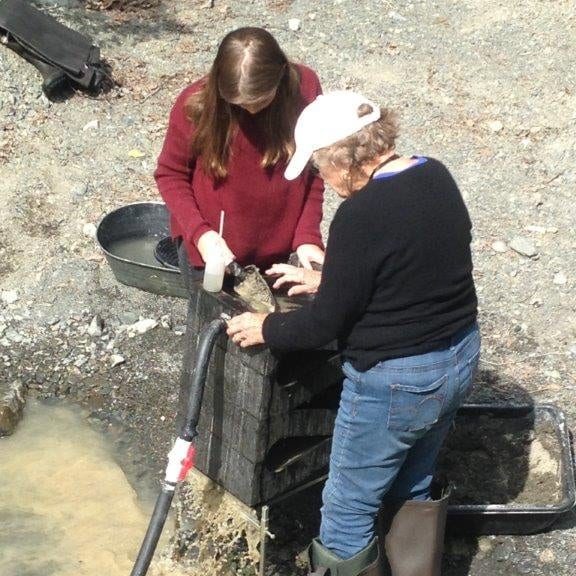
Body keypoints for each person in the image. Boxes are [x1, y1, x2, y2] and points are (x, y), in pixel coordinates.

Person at [227, 91, 480, 576]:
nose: (322, 178)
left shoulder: (361, 216)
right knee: (413, 481)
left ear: (344, 157)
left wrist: (267, 325)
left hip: (395, 383)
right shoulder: (434, 174)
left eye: (321, 166)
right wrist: (335, 279)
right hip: (459, 357)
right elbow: (418, 262)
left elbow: (325, 325)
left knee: (347, 510)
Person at [154, 27, 325, 288]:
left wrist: (308, 236)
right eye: (240, 104)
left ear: (279, 77)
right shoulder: (195, 104)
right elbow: (170, 174)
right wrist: (201, 234)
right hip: (210, 250)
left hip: (278, 249)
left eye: (259, 101)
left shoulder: (305, 89)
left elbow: (314, 170)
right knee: (210, 322)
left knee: (266, 323)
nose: (250, 110)